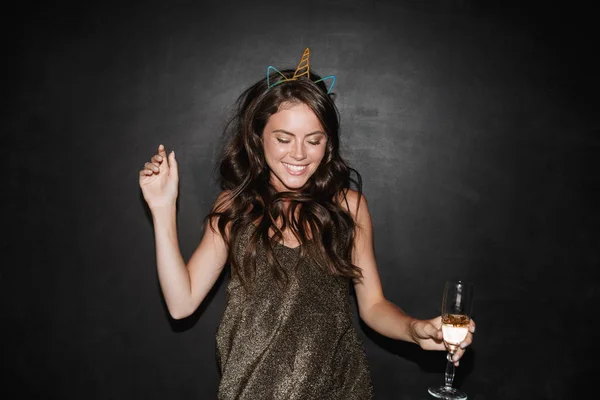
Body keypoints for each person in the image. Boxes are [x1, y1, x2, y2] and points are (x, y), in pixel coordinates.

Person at [138, 48, 475, 399]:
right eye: (283, 139)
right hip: (250, 390)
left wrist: (416, 329)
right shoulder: (234, 207)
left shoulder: (349, 208)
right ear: (258, 137)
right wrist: (163, 211)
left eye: (314, 140)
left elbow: (373, 306)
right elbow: (181, 304)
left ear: (327, 143)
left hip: (339, 389)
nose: (299, 154)